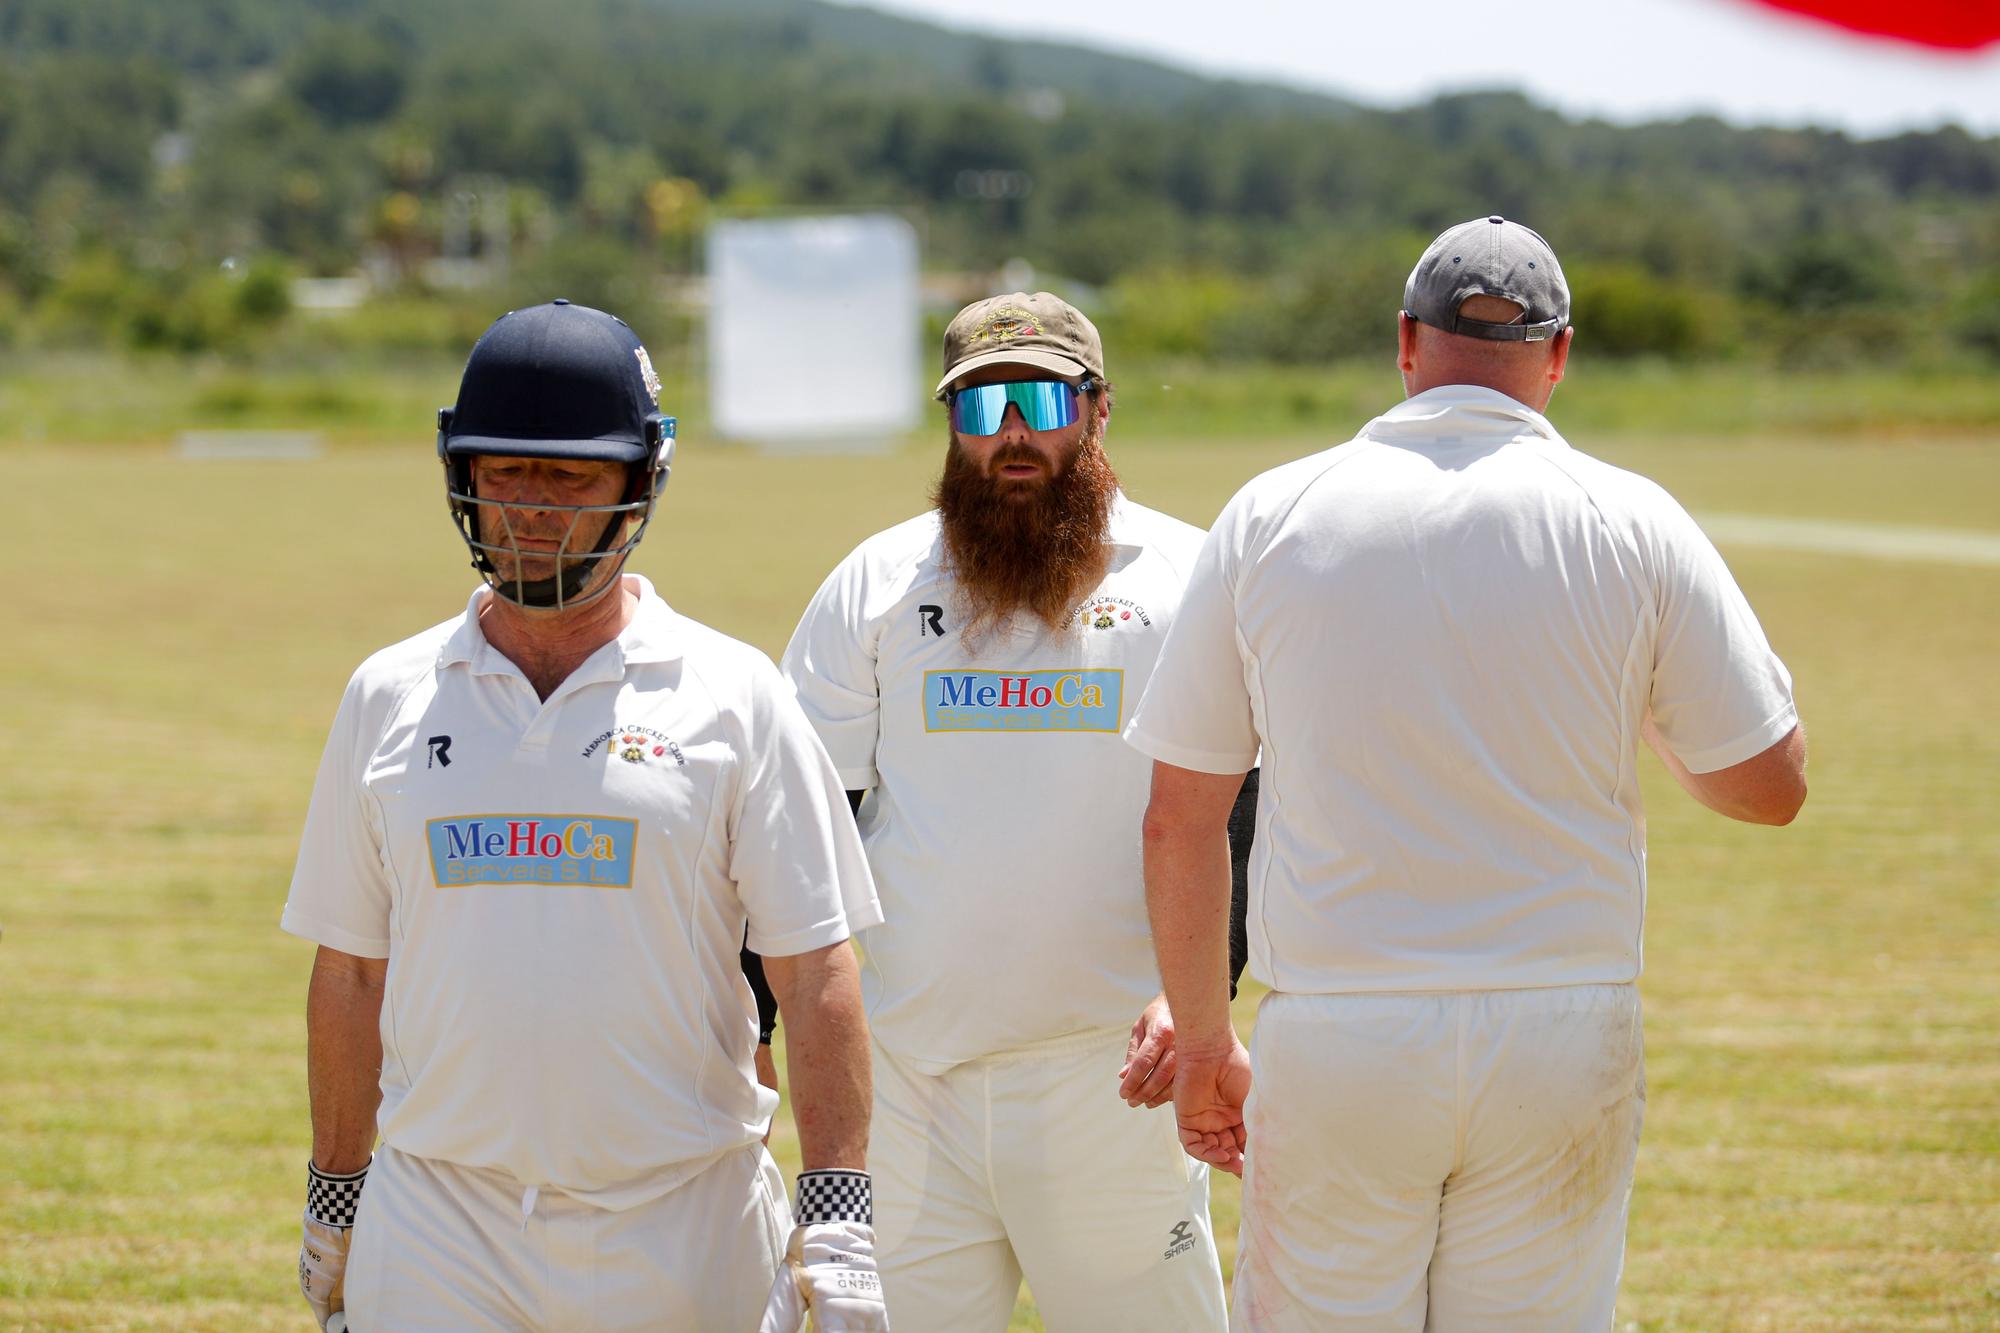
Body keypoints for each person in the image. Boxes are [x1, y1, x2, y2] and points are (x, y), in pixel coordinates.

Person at [1127, 217, 1808, 1330]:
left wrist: (1203, 1039)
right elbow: (1765, 786)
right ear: (1557, 355)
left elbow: (1179, 817)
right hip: (1561, 1023)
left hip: (1340, 1029)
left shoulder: (1269, 513)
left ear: (1406, 341)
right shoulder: (1632, 517)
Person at [280, 299, 889, 1332]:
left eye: (569, 477)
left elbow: (814, 966)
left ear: (640, 483)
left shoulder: (734, 696)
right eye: (503, 472)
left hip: (681, 1215)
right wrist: (338, 1193)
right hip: (441, 1217)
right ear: (459, 473)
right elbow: (349, 971)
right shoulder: (387, 694)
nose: (530, 508)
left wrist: (838, 1213)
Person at [778, 291, 1251, 1330]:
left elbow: (1244, 809)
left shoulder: (1187, 574)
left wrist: (1201, 993)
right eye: (978, 410)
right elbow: (796, 840)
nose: (1011, 436)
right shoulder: (877, 585)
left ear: (1096, 409)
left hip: (1114, 1079)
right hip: (904, 1087)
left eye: (1037, 399)